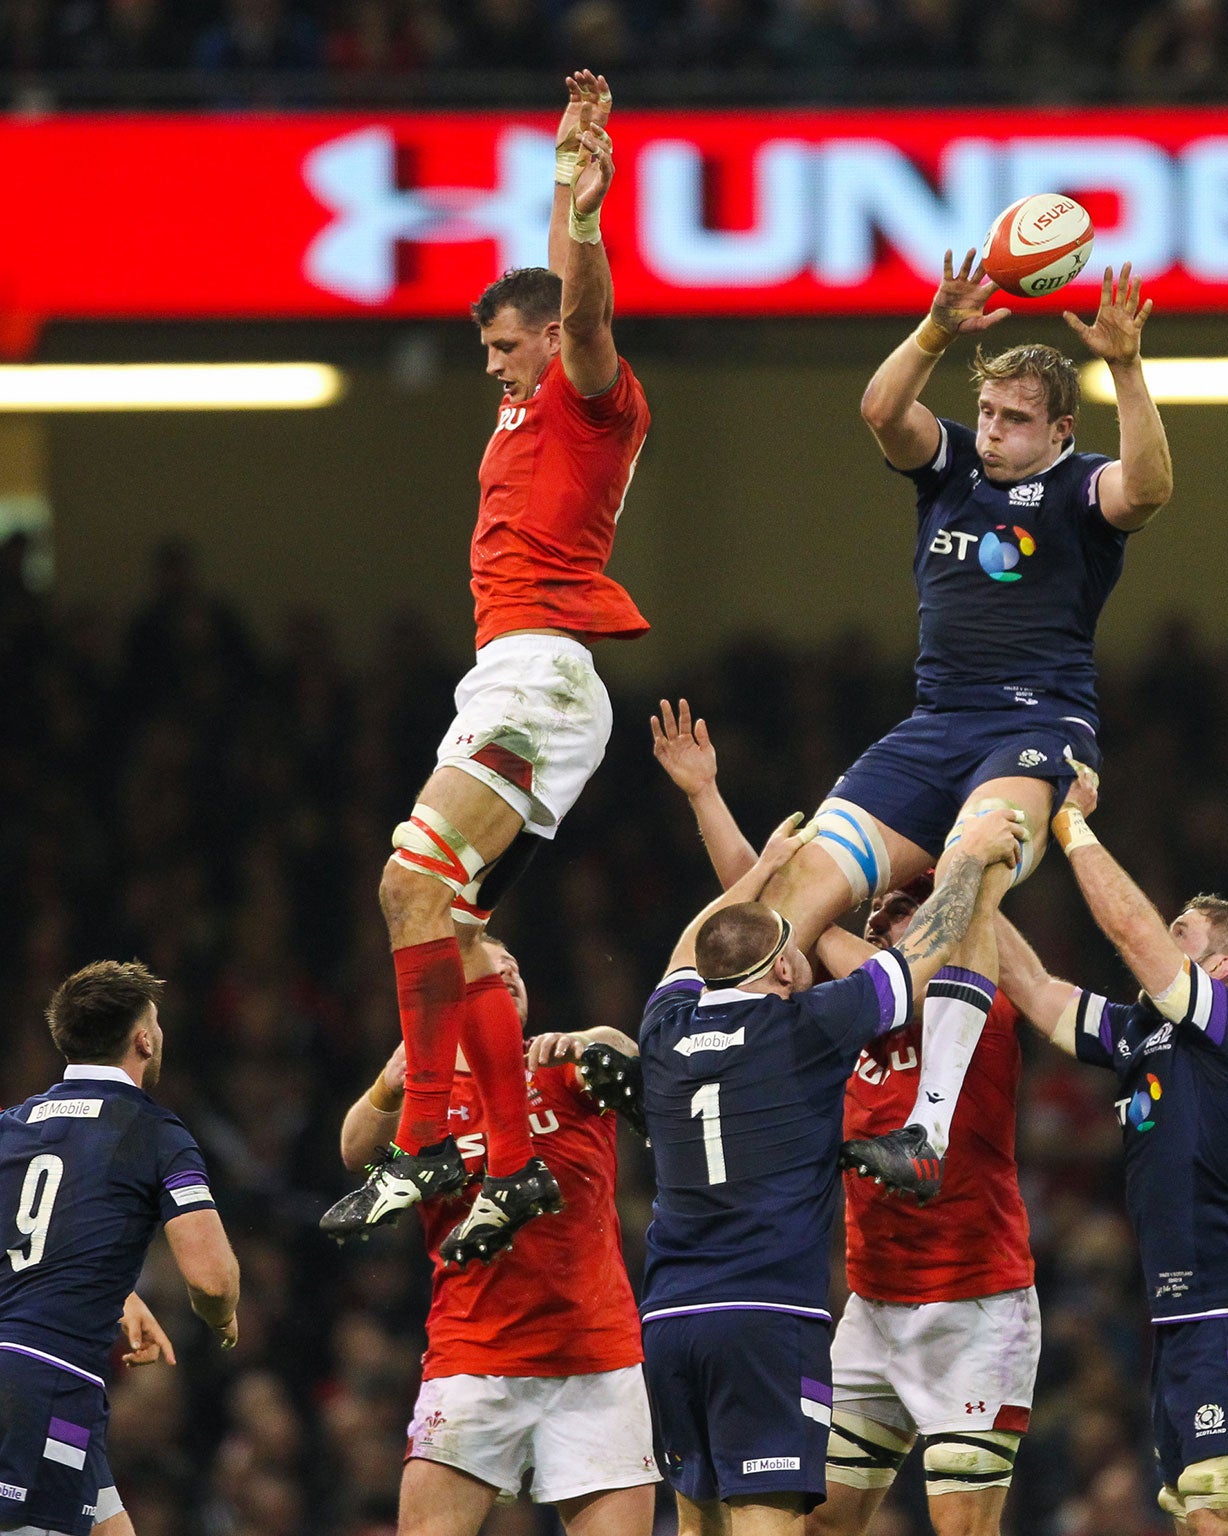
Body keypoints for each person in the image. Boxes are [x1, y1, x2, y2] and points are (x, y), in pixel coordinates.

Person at [323, 71, 652, 1266]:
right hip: (508, 678)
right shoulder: (522, 412)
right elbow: (546, 302)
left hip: (543, 675)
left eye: (506, 345)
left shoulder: (587, 396)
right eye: (487, 347)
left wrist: (583, 205)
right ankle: (509, 1164)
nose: (491, 365)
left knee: (405, 888)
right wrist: (560, 167)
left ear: (554, 340)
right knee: (456, 934)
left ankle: (424, 1138)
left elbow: (586, 309)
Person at [758, 256, 1175, 1198]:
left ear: (1062, 430)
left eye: (1015, 419)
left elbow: (1147, 491)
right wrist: (936, 328)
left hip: (1034, 729)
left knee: (974, 859)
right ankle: (749, 1066)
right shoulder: (948, 467)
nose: (991, 432)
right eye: (986, 413)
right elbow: (879, 412)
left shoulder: (1081, 491)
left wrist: (1131, 370)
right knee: (794, 891)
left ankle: (927, 1130)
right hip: (933, 727)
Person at [650, 699, 1039, 1536]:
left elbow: (753, 935)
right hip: (869, 1300)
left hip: (974, 1300)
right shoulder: (814, 1022)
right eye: (875, 914)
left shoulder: (978, 1004)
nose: (876, 917)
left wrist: (969, 877)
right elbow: (765, 929)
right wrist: (712, 806)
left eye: (899, 910)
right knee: (813, 1525)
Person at [994, 764, 1228, 1536]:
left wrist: (1070, 824)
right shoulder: (1146, 1032)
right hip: (1177, 1324)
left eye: (1182, 935)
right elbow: (1033, 988)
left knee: (1220, 1527)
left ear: (1219, 968)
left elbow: (1130, 927)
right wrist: (965, 879)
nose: (1161, 938)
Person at [337, 935, 658, 1536]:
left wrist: (590, 1040)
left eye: (514, 965)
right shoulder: (429, 1096)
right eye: (490, 968)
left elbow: (624, 1051)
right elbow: (355, 1150)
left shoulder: (559, 1064)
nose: (507, 970)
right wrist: (389, 1081)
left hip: (595, 1359)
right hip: (474, 1358)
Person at [0, 961, 240, 1536]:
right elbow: (210, 1279)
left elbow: (43, 1235)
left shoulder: (12, 1126)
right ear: (144, 1037)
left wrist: (121, 1297)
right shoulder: (156, 1133)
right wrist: (224, 1316)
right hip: (48, 1385)